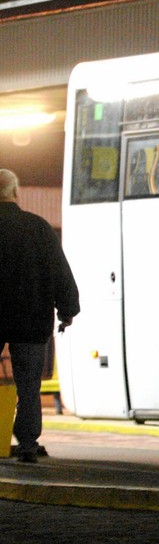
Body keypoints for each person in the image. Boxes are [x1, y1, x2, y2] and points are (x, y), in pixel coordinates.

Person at [0, 169, 79, 464]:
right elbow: (60, 272)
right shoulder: (38, 228)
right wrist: (67, 310)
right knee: (29, 387)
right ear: (16, 192)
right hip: (30, 320)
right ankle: (28, 444)